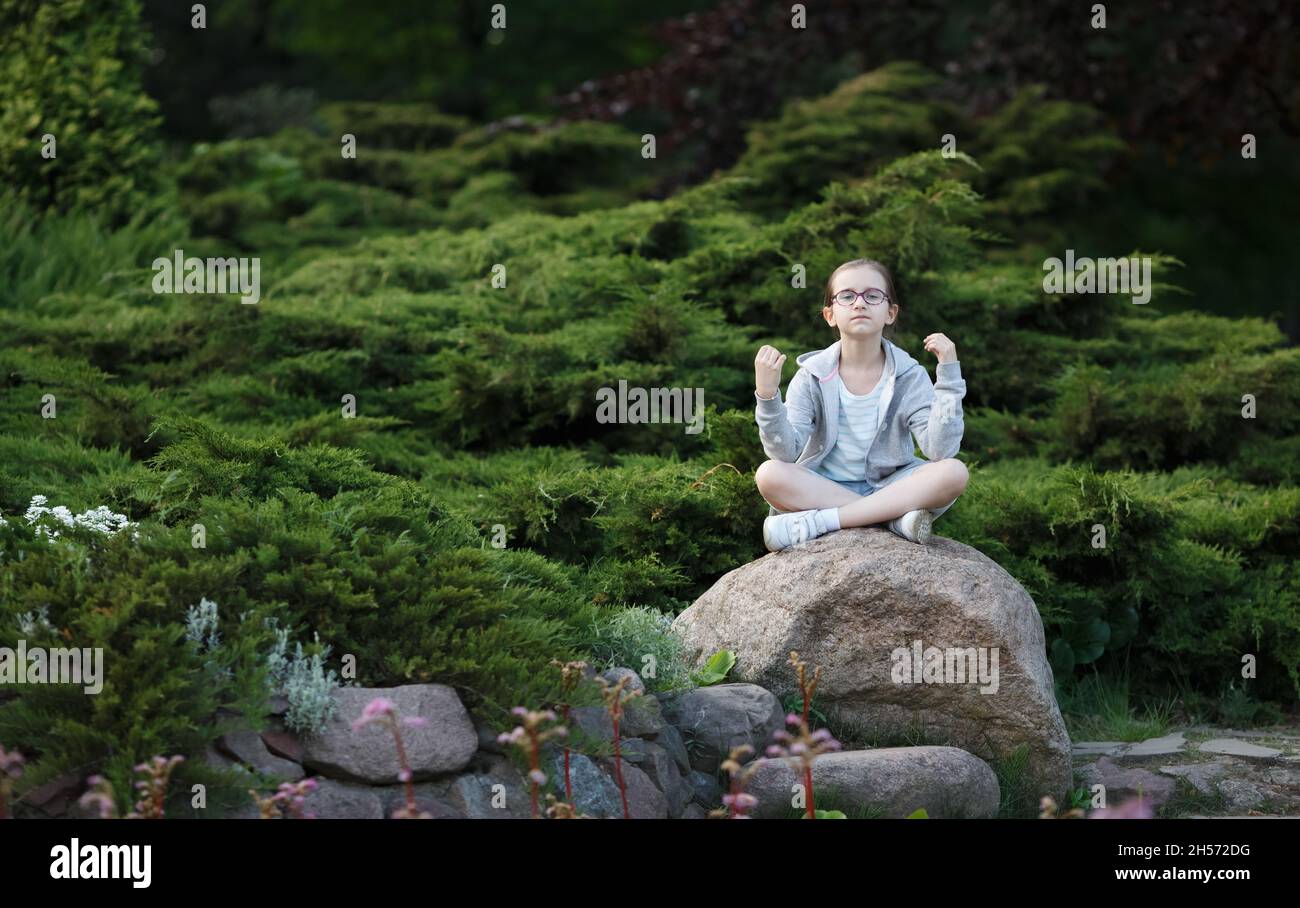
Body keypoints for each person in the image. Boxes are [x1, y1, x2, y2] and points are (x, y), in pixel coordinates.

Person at [753, 258, 969, 552]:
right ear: (830, 314)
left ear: (890, 312)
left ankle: (822, 522)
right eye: (847, 296)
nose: (859, 304)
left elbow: (940, 449)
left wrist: (949, 376)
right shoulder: (812, 375)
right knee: (769, 474)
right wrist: (767, 395)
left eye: (872, 295)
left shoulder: (909, 375)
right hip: (822, 488)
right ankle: (891, 521)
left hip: (892, 486)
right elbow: (785, 452)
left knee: (953, 472)